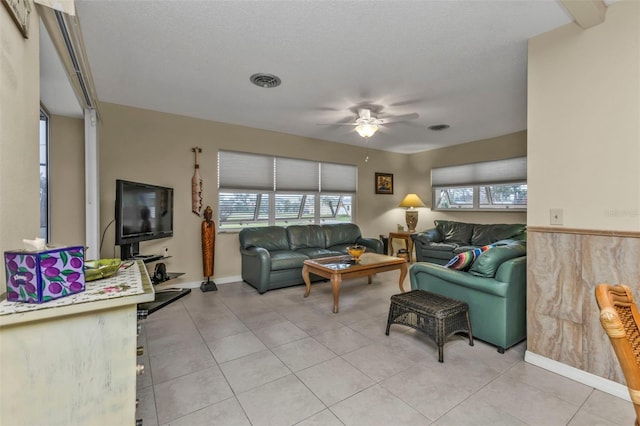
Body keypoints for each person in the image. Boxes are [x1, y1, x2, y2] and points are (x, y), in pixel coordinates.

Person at [200, 205, 217, 291]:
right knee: (206, 261)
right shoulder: (203, 223)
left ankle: (210, 277)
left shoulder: (213, 223)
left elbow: (213, 235)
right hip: (206, 247)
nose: (209, 216)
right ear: (205, 215)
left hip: (211, 246)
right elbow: (205, 235)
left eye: (210, 214)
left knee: (211, 261)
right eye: (207, 214)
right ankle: (207, 276)